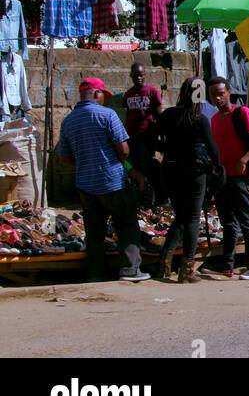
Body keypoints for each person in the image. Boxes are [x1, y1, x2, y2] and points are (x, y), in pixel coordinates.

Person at [57, 78, 149, 282]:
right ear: (97, 94)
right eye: (103, 96)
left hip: (86, 185)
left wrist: (84, 163)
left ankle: (96, 273)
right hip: (113, 181)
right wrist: (119, 162)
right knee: (126, 224)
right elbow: (124, 150)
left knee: (94, 232)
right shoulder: (108, 115)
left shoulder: (68, 121)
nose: (104, 100)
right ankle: (130, 269)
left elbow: (63, 156)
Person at [154, 77, 221, 283]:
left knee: (181, 216)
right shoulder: (199, 119)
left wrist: (169, 151)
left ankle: (164, 263)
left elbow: (151, 140)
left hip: (171, 170)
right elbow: (212, 149)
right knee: (191, 218)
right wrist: (217, 166)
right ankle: (187, 269)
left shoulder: (167, 115)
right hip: (194, 171)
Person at [208, 77, 249, 279]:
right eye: (214, 94)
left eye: (221, 93)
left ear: (229, 92)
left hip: (239, 176)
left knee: (246, 220)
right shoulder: (215, 119)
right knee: (228, 223)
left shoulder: (242, 112)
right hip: (223, 177)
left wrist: (245, 159)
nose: (218, 97)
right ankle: (227, 264)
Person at [123, 63, 163, 204]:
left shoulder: (152, 91)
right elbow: (128, 115)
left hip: (148, 136)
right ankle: (140, 195)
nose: (139, 78)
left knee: (148, 165)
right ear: (131, 76)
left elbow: (159, 115)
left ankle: (154, 196)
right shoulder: (128, 94)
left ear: (145, 75)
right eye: (136, 75)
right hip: (132, 137)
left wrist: (161, 135)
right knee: (132, 166)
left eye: (141, 75)